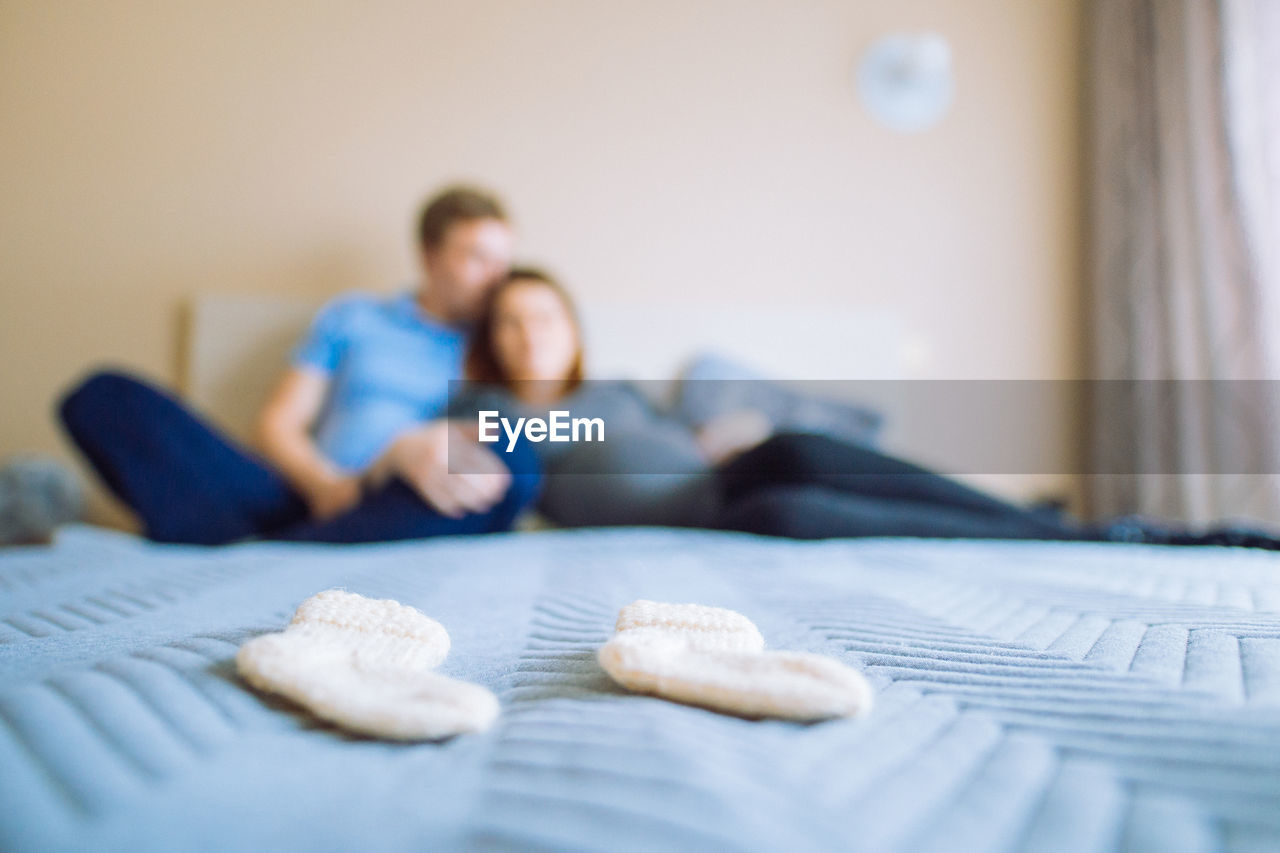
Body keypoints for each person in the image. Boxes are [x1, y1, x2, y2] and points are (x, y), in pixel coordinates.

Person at [451, 268, 1280, 547]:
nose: (532, 333)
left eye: (547, 313)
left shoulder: (621, 386)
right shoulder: (485, 409)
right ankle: (1088, 536)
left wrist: (711, 430)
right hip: (712, 512)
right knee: (789, 507)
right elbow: (512, 459)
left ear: (574, 326)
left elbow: (644, 427)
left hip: (731, 465)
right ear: (493, 339)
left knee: (800, 448)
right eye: (512, 321)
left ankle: (1056, 521)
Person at [59, 186, 540, 545]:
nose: (496, 278)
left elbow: (534, 426)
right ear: (429, 256)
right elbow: (276, 424)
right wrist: (325, 485)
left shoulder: (500, 340)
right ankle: (283, 540)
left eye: (503, 262)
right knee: (104, 395)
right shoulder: (355, 316)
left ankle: (268, 548)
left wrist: (397, 457)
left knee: (515, 462)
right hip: (302, 493)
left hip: (403, 498)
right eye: (478, 257)